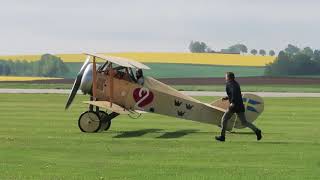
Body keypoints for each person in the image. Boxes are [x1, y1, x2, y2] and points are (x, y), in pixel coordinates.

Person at [215, 72, 262, 142]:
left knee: (224, 119)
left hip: (234, 105)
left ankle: (222, 136)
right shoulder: (235, 83)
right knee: (244, 122)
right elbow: (237, 94)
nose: (225, 78)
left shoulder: (230, 84)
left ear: (229, 77)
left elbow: (234, 93)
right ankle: (257, 130)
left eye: (226, 77)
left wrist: (232, 102)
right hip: (240, 104)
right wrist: (227, 98)